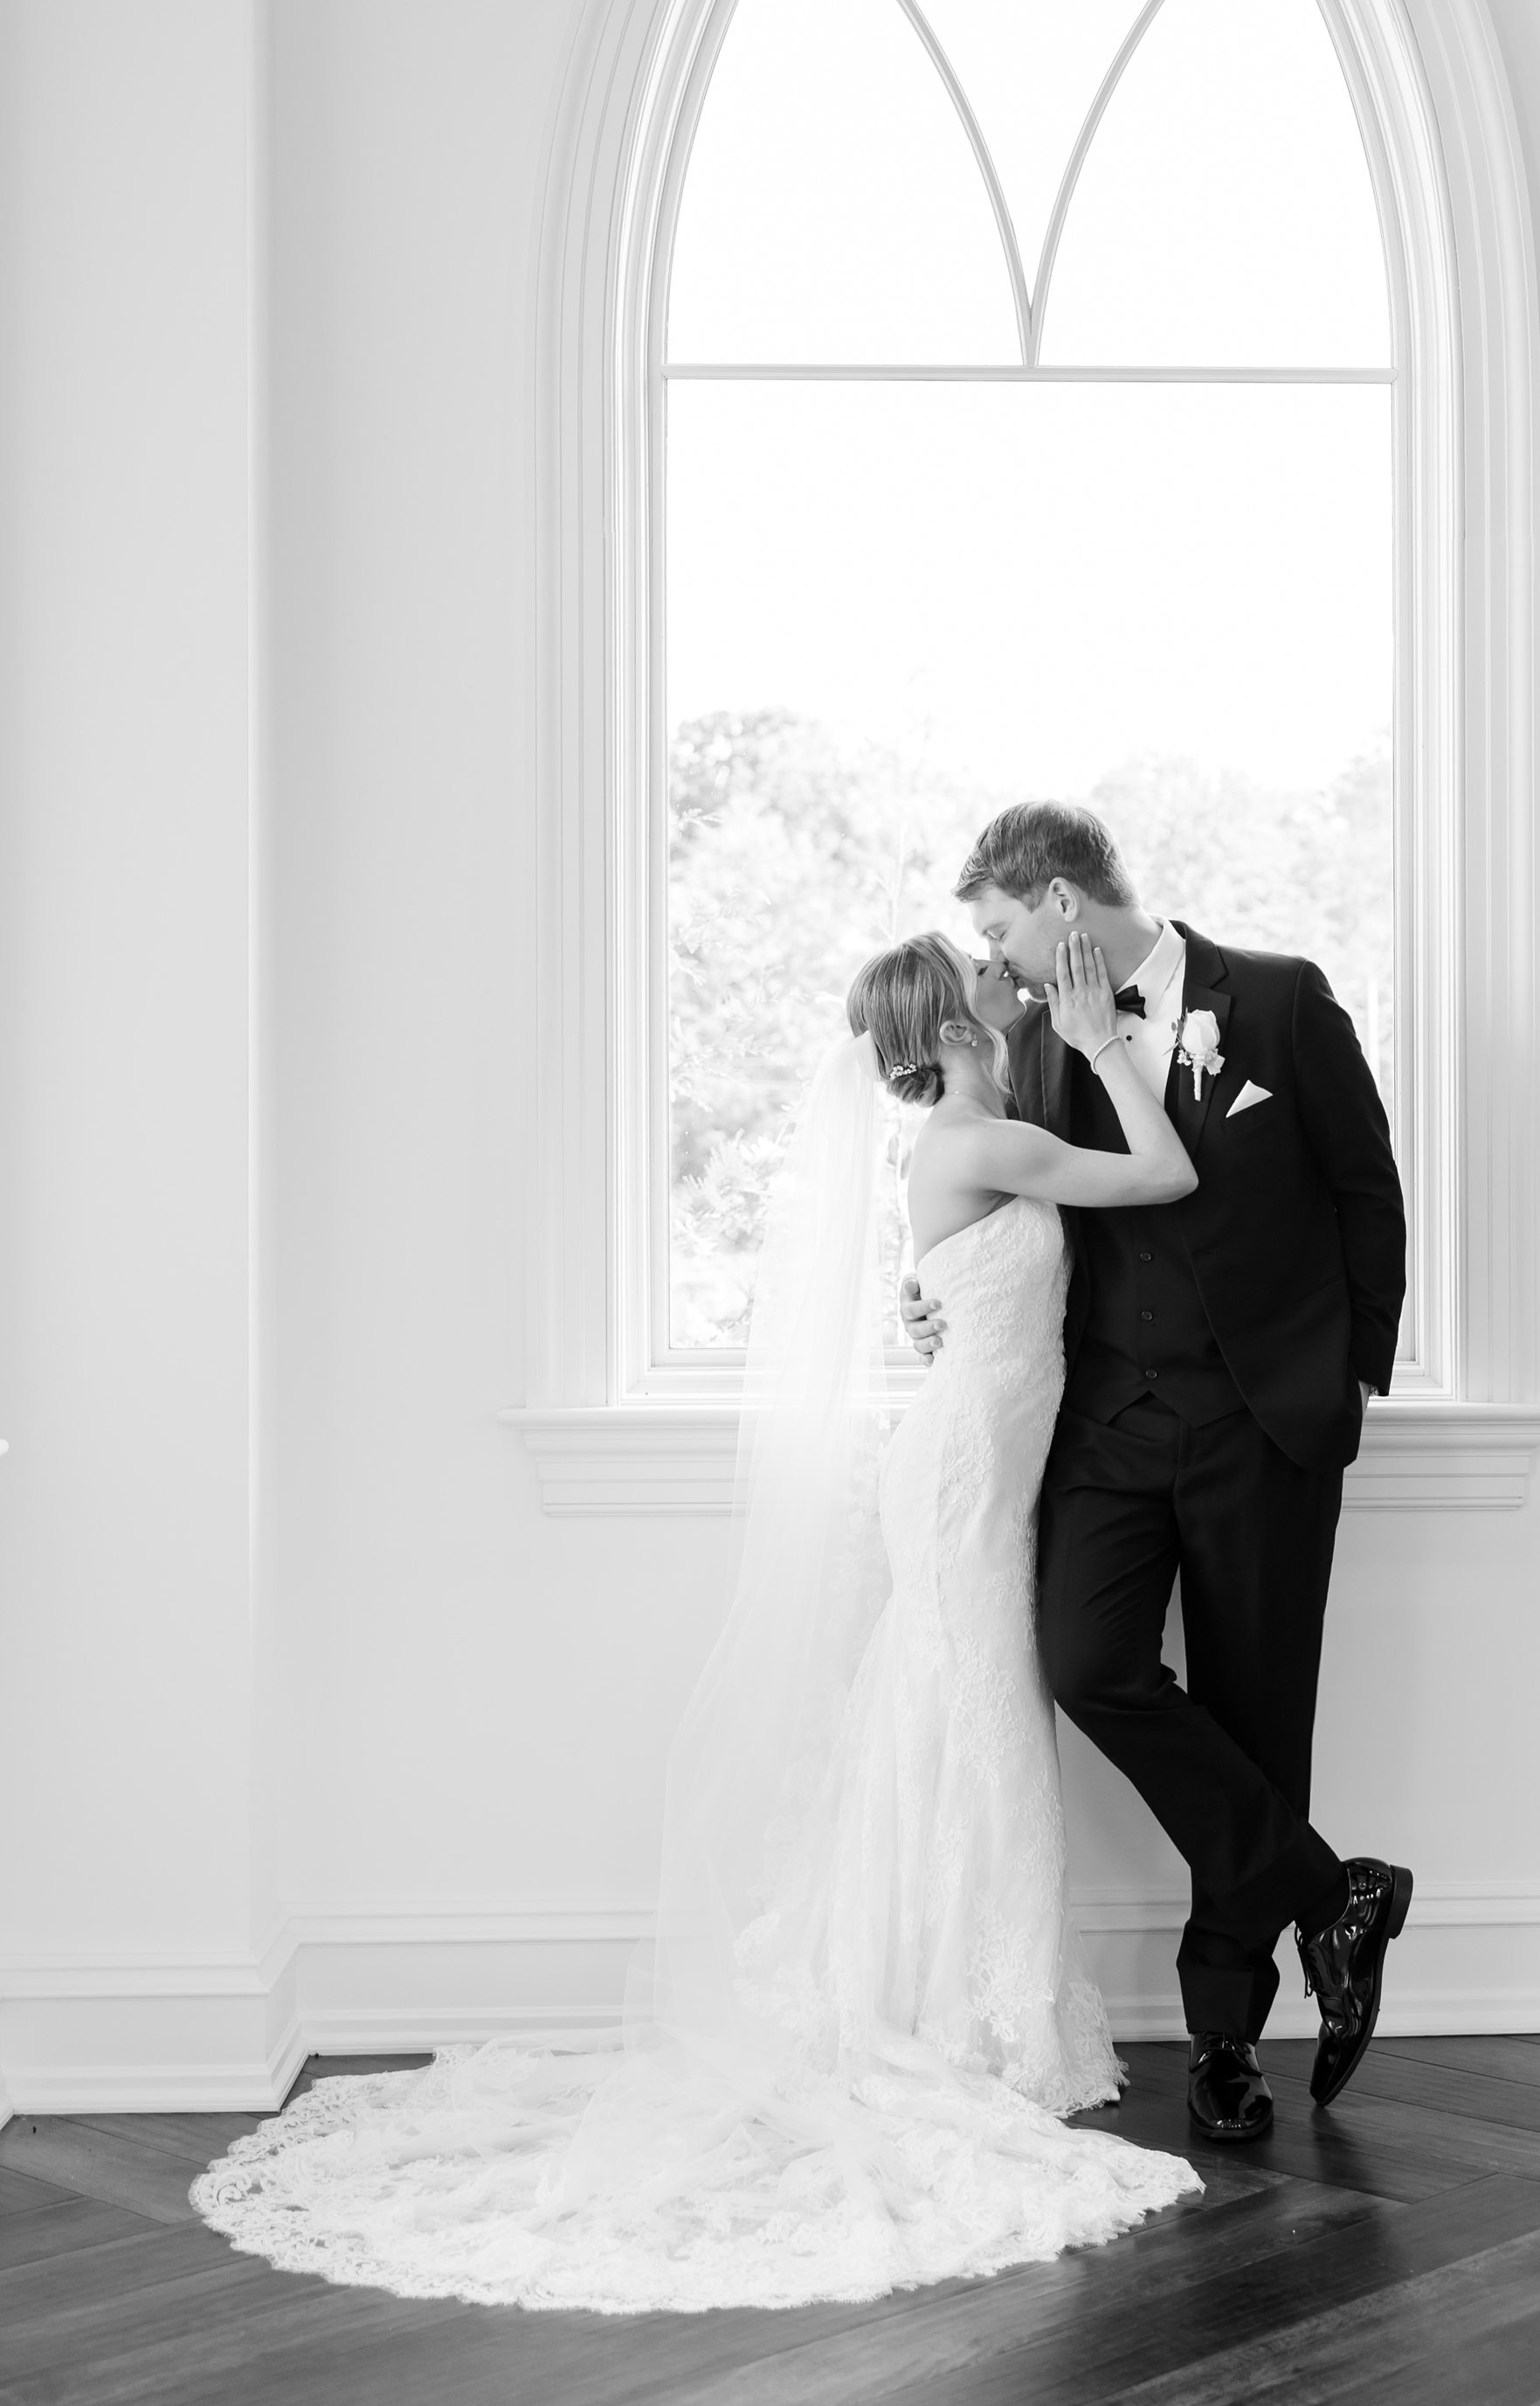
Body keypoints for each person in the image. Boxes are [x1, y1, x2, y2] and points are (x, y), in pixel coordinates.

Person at [190, 930, 1201, 2313]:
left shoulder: (981, 1139)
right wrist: (1098, 1047)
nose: (1001, 974)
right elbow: (1164, 1172)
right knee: (978, 1723)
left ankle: (951, 2001)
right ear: (951, 1024)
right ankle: (973, 2021)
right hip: (966, 1470)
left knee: (950, 1720)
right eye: (984, 969)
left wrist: (941, 1295)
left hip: (978, 1461)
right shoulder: (983, 1142)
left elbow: (981, 1292)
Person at [904, 800, 1411, 2146]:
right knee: (1088, 1664)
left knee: (1258, 1716)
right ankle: (1332, 1891)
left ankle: (1225, 2042)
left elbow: (1368, 1188)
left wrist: (1353, 1367)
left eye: (1003, 930)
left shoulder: (1284, 999)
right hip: (1104, 1431)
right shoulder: (1028, 1045)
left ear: (1062, 901)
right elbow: (993, 1199)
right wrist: (934, 1296)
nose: (997, 964)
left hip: (1266, 1426)